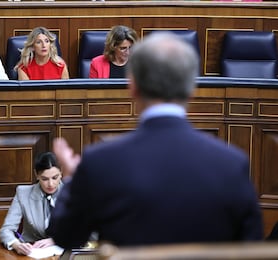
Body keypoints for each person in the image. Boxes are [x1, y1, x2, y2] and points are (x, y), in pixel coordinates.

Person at [47, 32, 263, 249]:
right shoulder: (232, 164)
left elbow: (66, 236)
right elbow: (251, 247)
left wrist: (72, 180)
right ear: (192, 89)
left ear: (132, 87)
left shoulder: (100, 162)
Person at [0, 152, 63, 255]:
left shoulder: (74, 193)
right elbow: (6, 230)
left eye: (55, 178)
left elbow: (87, 231)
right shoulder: (23, 193)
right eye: (45, 179)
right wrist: (17, 244)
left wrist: (56, 240)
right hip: (31, 253)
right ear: (36, 175)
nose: (50, 184)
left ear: (61, 173)